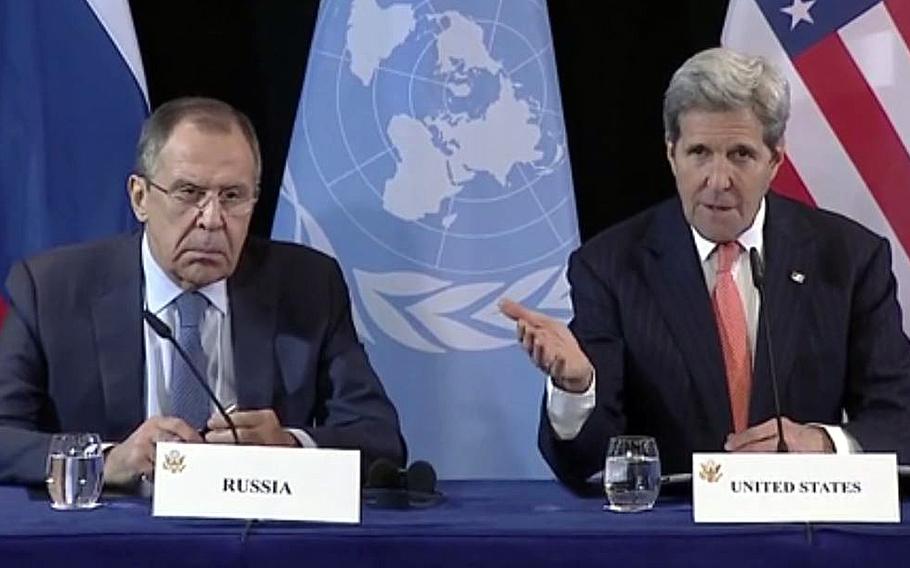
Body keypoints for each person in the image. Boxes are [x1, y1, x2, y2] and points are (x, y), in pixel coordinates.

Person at [501, 47, 910, 486]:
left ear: (775, 160)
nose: (718, 180)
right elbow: (586, 463)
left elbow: (900, 414)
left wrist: (822, 444)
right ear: (671, 154)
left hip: (805, 532)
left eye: (740, 155)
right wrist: (578, 387)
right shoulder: (610, 266)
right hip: (671, 540)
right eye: (699, 153)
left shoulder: (848, 258)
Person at [0, 97, 405, 487]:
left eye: (232, 197)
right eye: (189, 193)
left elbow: (380, 438)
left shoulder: (308, 285)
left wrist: (288, 446)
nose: (212, 220)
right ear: (140, 198)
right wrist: (105, 459)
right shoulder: (52, 289)